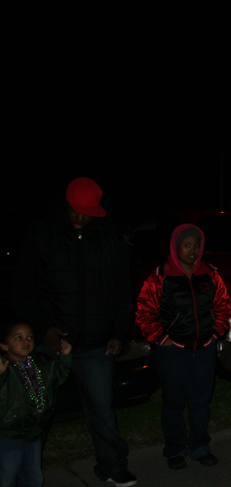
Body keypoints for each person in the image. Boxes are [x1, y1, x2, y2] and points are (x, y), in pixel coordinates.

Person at [12, 177, 136, 487]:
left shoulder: (111, 238)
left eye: (87, 213)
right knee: (36, 412)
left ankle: (111, 465)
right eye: (75, 211)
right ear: (66, 205)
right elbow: (25, 289)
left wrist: (118, 333)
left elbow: (123, 290)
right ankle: (24, 474)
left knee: (103, 410)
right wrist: (43, 330)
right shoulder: (42, 235)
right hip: (52, 345)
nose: (80, 218)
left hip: (95, 344)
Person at [136, 224, 231, 470]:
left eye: (196, 245)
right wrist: (162, 340)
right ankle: (175, 449)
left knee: (200, 402)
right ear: (175, 246)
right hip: (173, 352)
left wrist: (215, 333)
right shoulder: (159, 277)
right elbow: (144, 313)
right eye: (187, 245)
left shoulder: (210, 274)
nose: (192, 250)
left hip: (204, 350)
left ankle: (199, 446)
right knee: (173, 403)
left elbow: (223, 306)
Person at [1, 320, 72, 487]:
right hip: (9, 433)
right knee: (7, 475)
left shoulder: (40, 363)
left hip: (34, 431)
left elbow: (58, 377)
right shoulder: (5, 367)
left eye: (30, 337)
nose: (26, 342)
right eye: (18, 338)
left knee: (33, 476)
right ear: (4, 345)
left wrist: (66, 356)